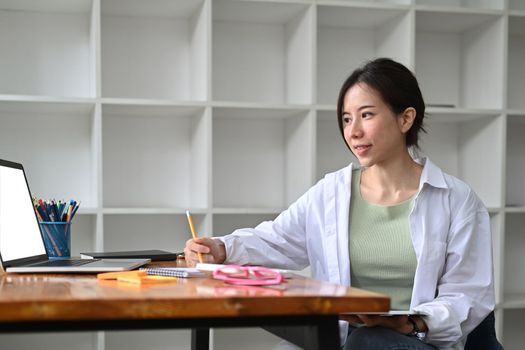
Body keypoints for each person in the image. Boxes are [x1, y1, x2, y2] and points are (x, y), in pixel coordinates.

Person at [184, 58, 495, 350]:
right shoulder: (330, 193)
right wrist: (221, 248)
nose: (353, 131)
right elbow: (276, 239)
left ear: (406, 118)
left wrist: (410, 322)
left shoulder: (456, 199)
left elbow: (467, 295)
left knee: (370, 342)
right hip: (346, 339)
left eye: (367, 115)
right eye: (347, 119)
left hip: (416, 342)